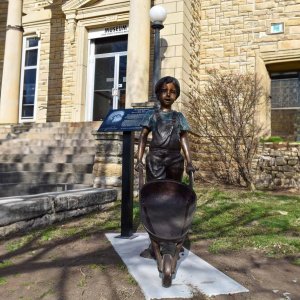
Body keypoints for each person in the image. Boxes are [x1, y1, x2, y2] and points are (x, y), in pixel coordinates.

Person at [135, 76, 195, 258]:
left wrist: (189, 160)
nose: (168, 94)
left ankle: (171, 239)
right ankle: (155, 242)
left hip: (175, 160)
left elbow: (184, 138)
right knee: (156, 199)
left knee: (174, 198)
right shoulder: (152, 116)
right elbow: (143, 137)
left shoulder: (179, 117)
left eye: (172, 91)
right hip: (156, 159)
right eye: (164, 90)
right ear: (157, 93)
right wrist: (139, 159)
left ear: (176, 95)